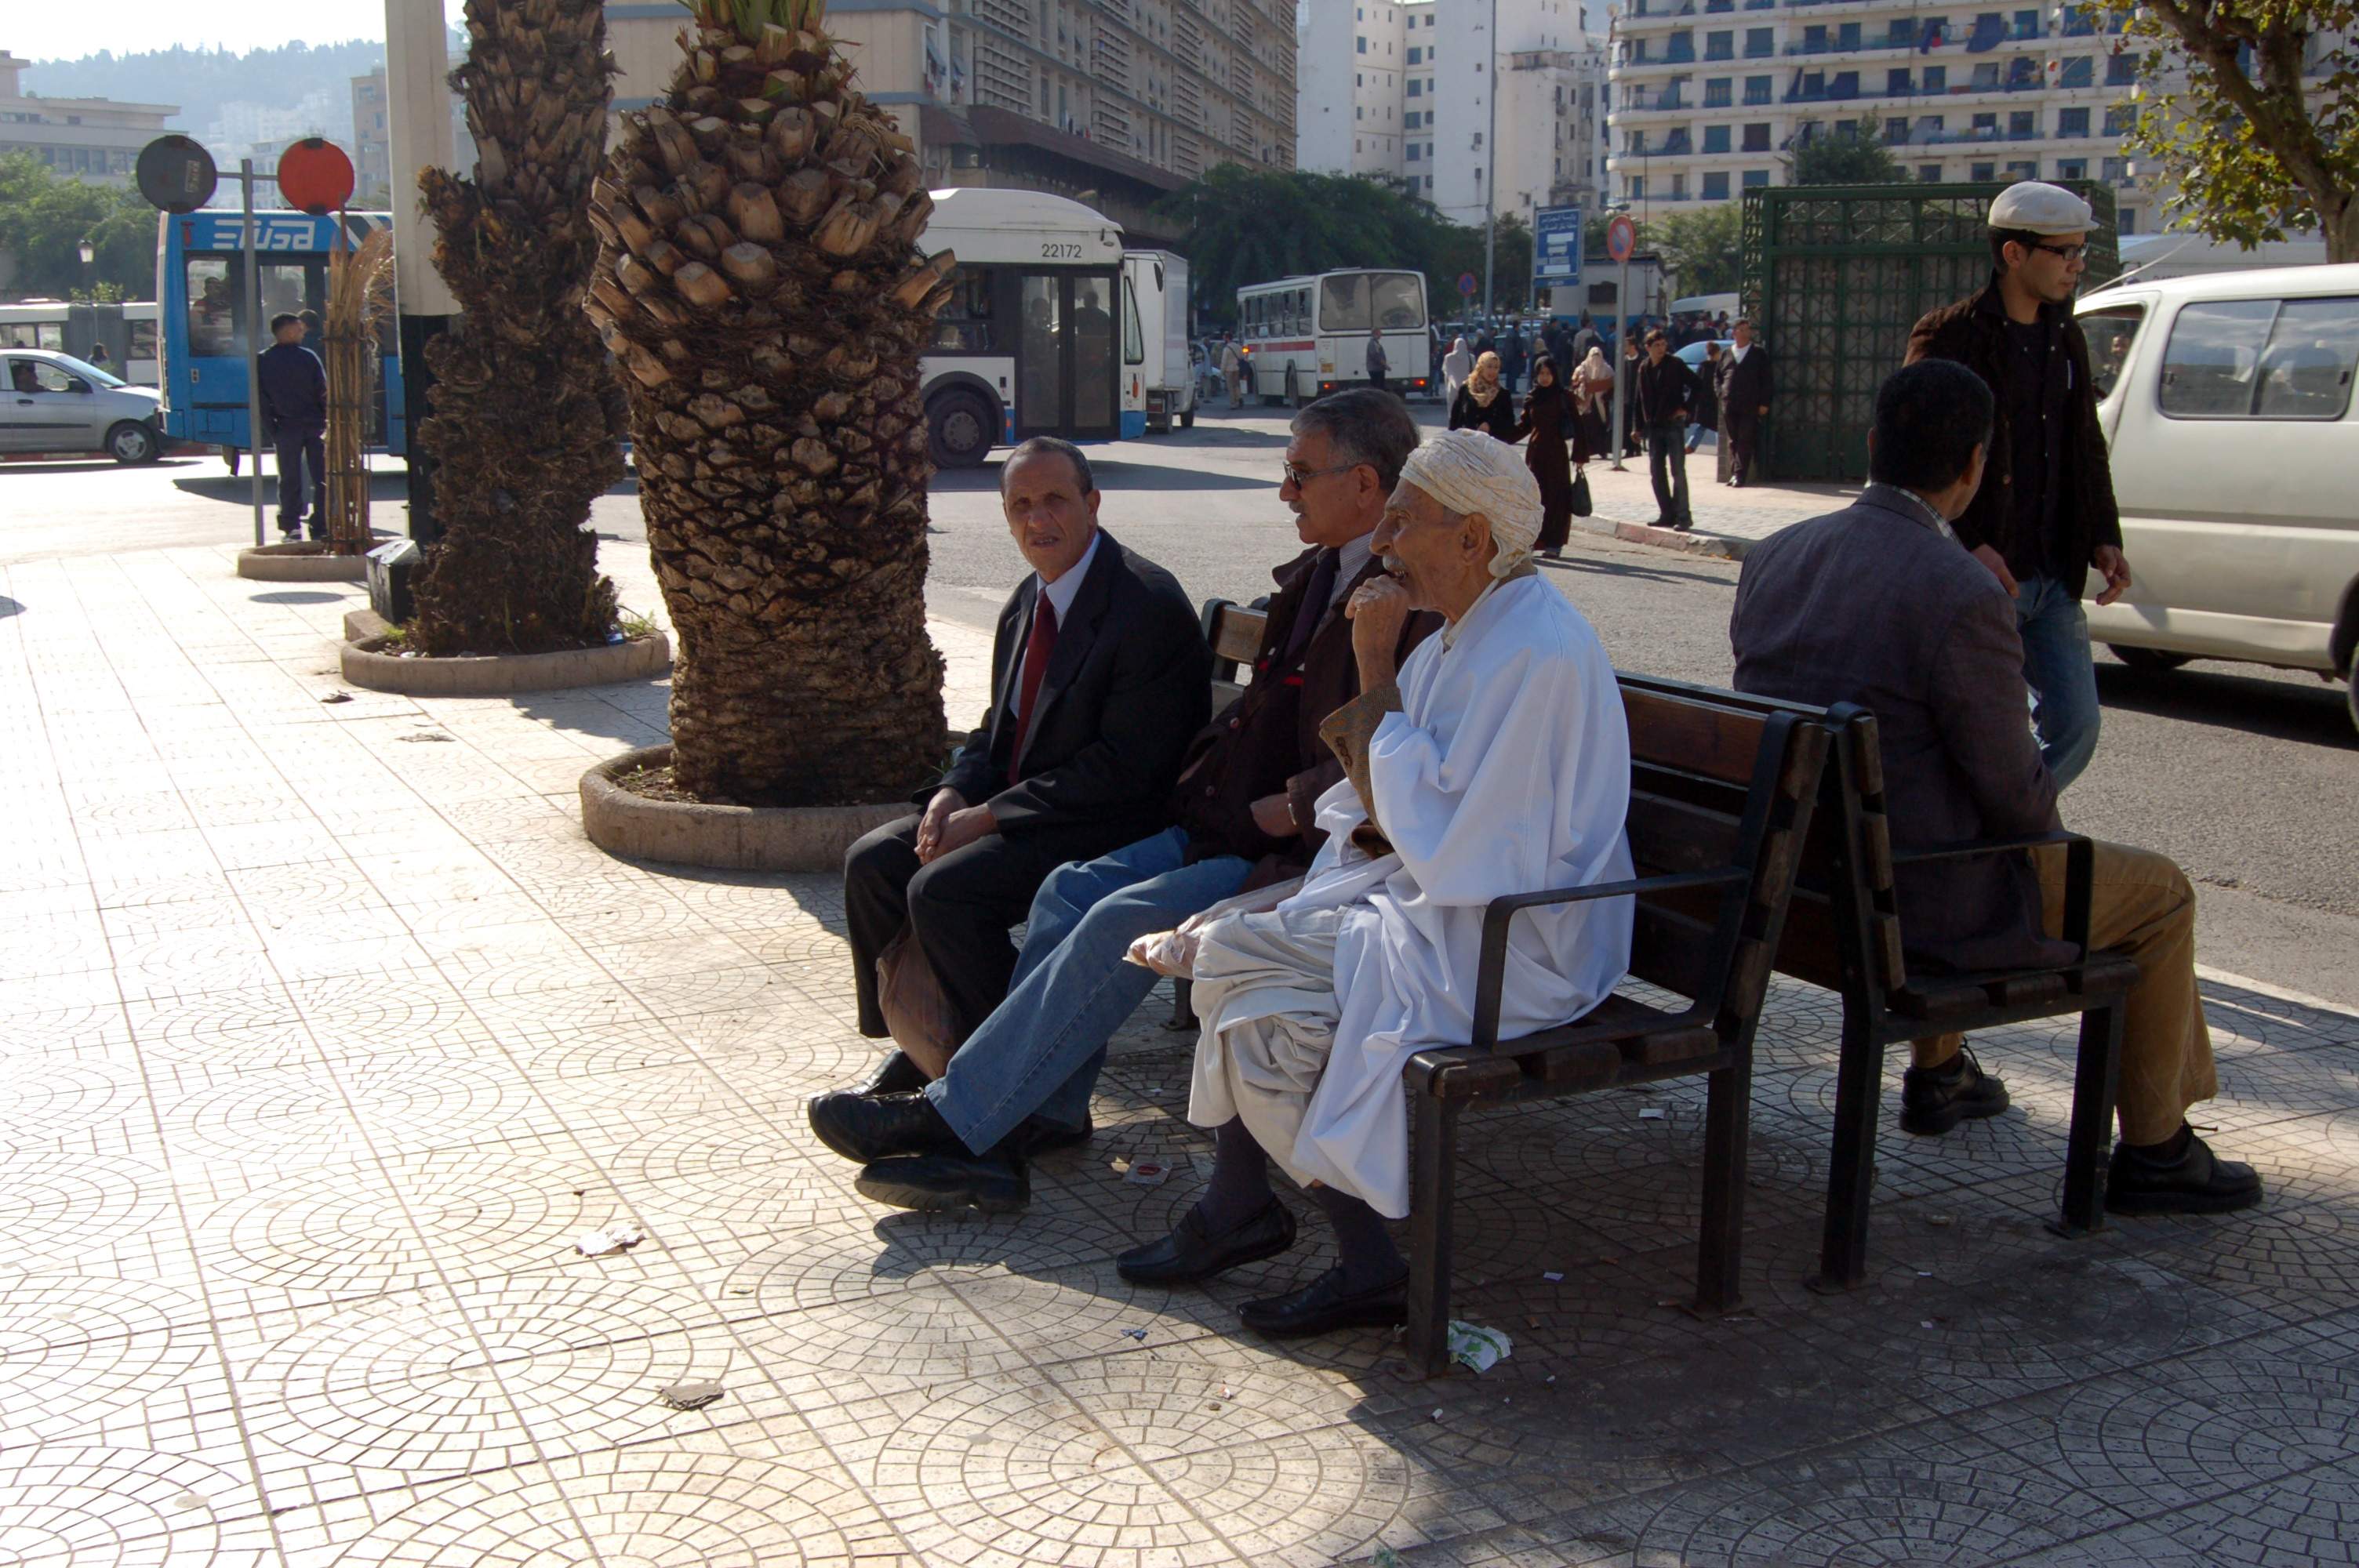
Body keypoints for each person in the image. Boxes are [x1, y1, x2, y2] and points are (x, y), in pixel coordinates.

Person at [812, 394, 1443, 1214]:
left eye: (1296, 473)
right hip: (1220, 822)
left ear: (1362, 484)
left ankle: (968, 1121)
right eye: (1019, 506)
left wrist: (1279, 810)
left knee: (1111, 917)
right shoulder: (1320, 573)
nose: (1285, 492)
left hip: (1298, 855)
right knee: (1061, 890)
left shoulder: (1400, 603)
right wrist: (961, 793)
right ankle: (1038, 1108)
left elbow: (1394, 744)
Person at [1115, 429, 1635, 1338]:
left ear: (1472, 539)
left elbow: (1461, 851)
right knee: (1253, 992)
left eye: (1403, 518)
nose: (1384, 540)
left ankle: (1280, 1224)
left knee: (1233, 960)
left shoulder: (1535, 652)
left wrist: (1372, 662)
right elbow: (1392, 802)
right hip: (1444, 903)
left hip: (1515, 939)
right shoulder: (1468, 634)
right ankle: (1327, 1245)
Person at [1730, 359, 2261, 1217]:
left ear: (1871, 445)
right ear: (1973, 466)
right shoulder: (1959, 589)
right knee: (2157, 891)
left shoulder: (1776, 555)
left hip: (1799, 885)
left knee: (1919, 818)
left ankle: (1940, 1068)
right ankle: (2158, 1148)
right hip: (1918, 904)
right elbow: (2017, 797)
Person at [840, 438, 1212, 1063]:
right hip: (1030, 809)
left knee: (946, 891)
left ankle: (1008, 1076)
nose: (1039, 520)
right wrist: (952, 793)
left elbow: (1125, 769)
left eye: (1056, 501)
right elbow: (997, 730)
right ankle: (921, 1041)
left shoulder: (1144, 604)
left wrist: (987, 817)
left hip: (1107, 821)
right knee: (873, 863)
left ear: (1093, 504)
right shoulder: (1028, 600)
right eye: (1021, 506)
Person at [1904, 181, 2127, 792]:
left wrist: (2104, 537)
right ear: (2015, 255)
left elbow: (2086, 445)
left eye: (2081, 252)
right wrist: (1966, 541)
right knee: (1977, 731)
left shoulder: (2068, 336)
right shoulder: (1951, 336)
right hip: (1980, 574)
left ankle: (2010, 824)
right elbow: (1913, 454)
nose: (2077, 267)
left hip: (2054, 573)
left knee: (2077, 725)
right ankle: (1997, 837)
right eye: (2065, 253)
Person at [256, 312, 328, 542]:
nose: (303, 332)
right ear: (287, 332)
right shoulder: (309, 357)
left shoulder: (263, 360)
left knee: (289, 477)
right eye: (299, 329)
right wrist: (327, 420)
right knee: (323, 477)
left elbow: (261, 399)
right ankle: (321, 525)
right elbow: (323, 392)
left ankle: (291, 526)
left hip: (285, 427)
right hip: (315, 425)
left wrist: (272, 430)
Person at [1514, 356, 1579, 557]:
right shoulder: (1533, 397)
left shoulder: (1564, 397)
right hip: (1536, 455)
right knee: (1535, 499)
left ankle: (1555, 542)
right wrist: (1497, 437)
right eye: (1541, 374)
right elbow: (1524, 427)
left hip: (1557, 455)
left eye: (1548, 374)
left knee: (1557, 498)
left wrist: (1581, 455)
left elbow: (1579, 426)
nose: (1544, 378)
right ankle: (1536, 540)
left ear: (1555, 375)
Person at [1635, 328, 1700, 530]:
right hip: (1654, 427)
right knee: (1657, 472)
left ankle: (1683, 516)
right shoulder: (1644, 368)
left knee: (1677, 471)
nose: (1661, 349)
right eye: (1657, 346)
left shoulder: (1675, 365)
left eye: (1663, 345)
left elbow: (1698, 385)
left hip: (1673, 424)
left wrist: (1686, 409)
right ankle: (1667, 513)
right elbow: (1639, 399)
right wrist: (1637, 427)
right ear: (1648, 348)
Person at [1717, 318, 1772, 488]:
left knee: (1745, 438)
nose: (1746, 332)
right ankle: (1734, 473)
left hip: (1750, 403)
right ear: (1734, 333)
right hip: (1730, 403)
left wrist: (1764, 402)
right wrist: (1720, 393)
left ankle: (1740, 475)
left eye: (1748, 329)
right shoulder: (1727, 353)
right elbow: (1717, 376)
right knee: (1733, 439)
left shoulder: (1758, 353)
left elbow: (1767, 379)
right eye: (1742, 329)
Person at [1447, 351, 1516, 443]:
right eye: (1489, 366)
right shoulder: (1466, 390)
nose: (1492, 371)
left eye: (1496, 367)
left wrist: (1490, 425)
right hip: (1466, 444)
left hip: (1492, 447)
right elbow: (1455, 418)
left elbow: (1509, 422)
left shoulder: (1502, 394)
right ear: (1481, 367)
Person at [1574, 345, 1615, 463]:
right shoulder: (1583, 367)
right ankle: (1588, 450)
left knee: (1601, 427)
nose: (1595, 359)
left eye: (1598, 356)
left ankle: (1602, 450)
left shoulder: (1607, 369)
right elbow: (1575, 381)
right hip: (1587, 403)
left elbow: (1612, 384)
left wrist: (1606, 396)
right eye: (1593, 356)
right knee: (1587, 427)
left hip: (1601, 403)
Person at [1688, 341, 1721, 455]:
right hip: (1716, 399)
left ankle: (1691, 445)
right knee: (1718, 425)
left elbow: (1696, 382)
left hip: (1704, 401)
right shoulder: (1719, 366)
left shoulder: (1703, 366)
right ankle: (1720, 448)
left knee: (1702, 425)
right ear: (1717, 353)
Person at [1440, 336, 1473, 408]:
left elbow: (1446, 372)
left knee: (1452, 409)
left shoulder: (1448, 358)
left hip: (1452, 388)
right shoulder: (1471, 357)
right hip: (1467, 387)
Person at [1498, 323, 1526, 397]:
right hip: (1515, 358)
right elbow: (1519, 347)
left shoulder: (1509, 334)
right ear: (1517, 326)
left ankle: (1508, 388)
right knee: (1513, 374)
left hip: (1508, 357)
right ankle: (1513, 389)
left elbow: (1505, 347)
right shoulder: (1516, 335)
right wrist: (1522, 354)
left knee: (1509, 374)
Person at [1223, 336, 1248, 408]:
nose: (1224, 340)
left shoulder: (1226, 349)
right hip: (1237, 368)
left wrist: (1221, 372)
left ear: (1227, 339)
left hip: (1229, 370)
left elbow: (1224, 361)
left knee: (1230, 387)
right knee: (1236, 385)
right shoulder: (1238, 346)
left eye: (1224, 338)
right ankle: (1239, 397)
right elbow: (1243, 356)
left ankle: (1233, 403)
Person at [1365, 327, 1390, 394]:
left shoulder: (1375, 343)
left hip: (1377, 368)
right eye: (1380, 333)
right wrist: (1385, 365)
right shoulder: (1373, 343)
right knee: (1378, 387)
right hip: (1376, 369)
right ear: (1375, 334)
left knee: (1377, 386)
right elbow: (1376, 356)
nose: (1381, 334)